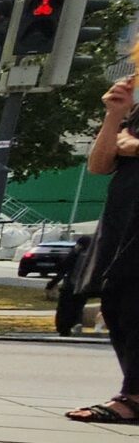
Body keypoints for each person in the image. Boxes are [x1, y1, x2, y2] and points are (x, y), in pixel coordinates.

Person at [65, 52, 139, 422]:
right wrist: (114, 116)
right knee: (115, 299)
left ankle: (132, 397)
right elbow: (99, 165)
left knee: (132, 299)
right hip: (124, 214)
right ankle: (133, 392)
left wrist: (134, 144)